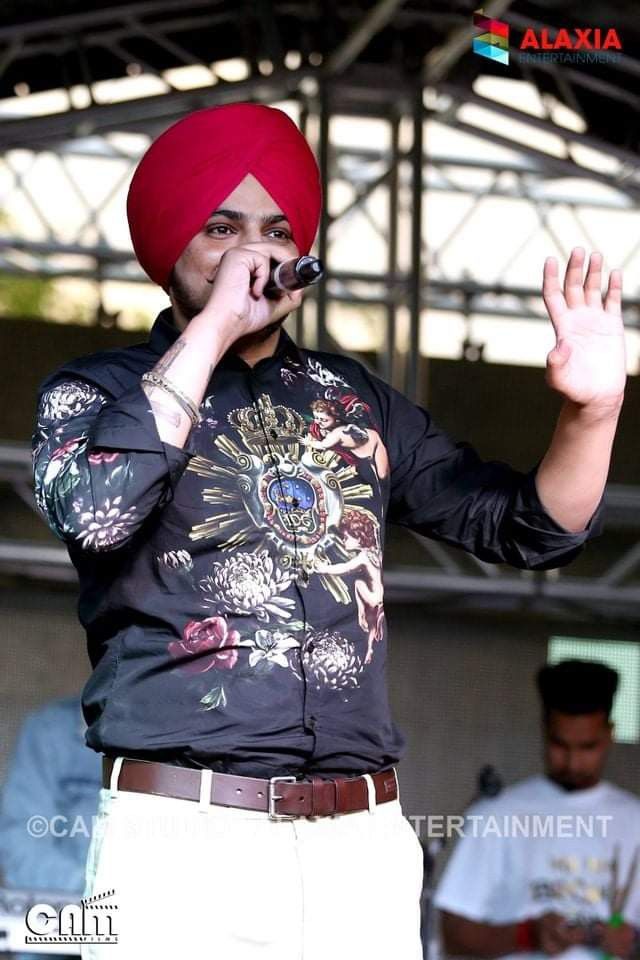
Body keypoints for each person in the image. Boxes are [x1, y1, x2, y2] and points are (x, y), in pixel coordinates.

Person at [31, 101, 625, 959]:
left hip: (361, 847)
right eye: (223, 227)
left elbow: (533, 530)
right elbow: (98, 509)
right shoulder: (95, 392)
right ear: (171, 248)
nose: (256, 252)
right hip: (181, 838)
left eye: (277, 230)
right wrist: (211, 332)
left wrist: (593, 412)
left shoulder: (357, 403)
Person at [435, 660, 640, 960]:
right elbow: (452, 933)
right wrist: (527, 934)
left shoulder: (634, 820)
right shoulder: (497, 813)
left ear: (609, 734)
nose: (572, 762)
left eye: (587, 747)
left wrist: (631, 940)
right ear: (544, 731)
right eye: (560, 745)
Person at [0, 696, 102, 960]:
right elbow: (21, 846)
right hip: (59, 926)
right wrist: (96, 890)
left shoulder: (182, 743)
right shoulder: (51, 730)